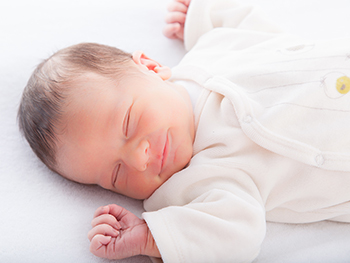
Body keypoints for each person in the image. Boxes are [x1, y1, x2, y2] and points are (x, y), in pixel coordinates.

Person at [18, 0, 350, 262]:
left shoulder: (210, 53)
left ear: (149, 66)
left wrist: (203, 13)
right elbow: (238, 234)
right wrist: (153, 238)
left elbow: (256, 30)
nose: (139, 158)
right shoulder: (197, 184)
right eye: (117, 175)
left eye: (129, 123)